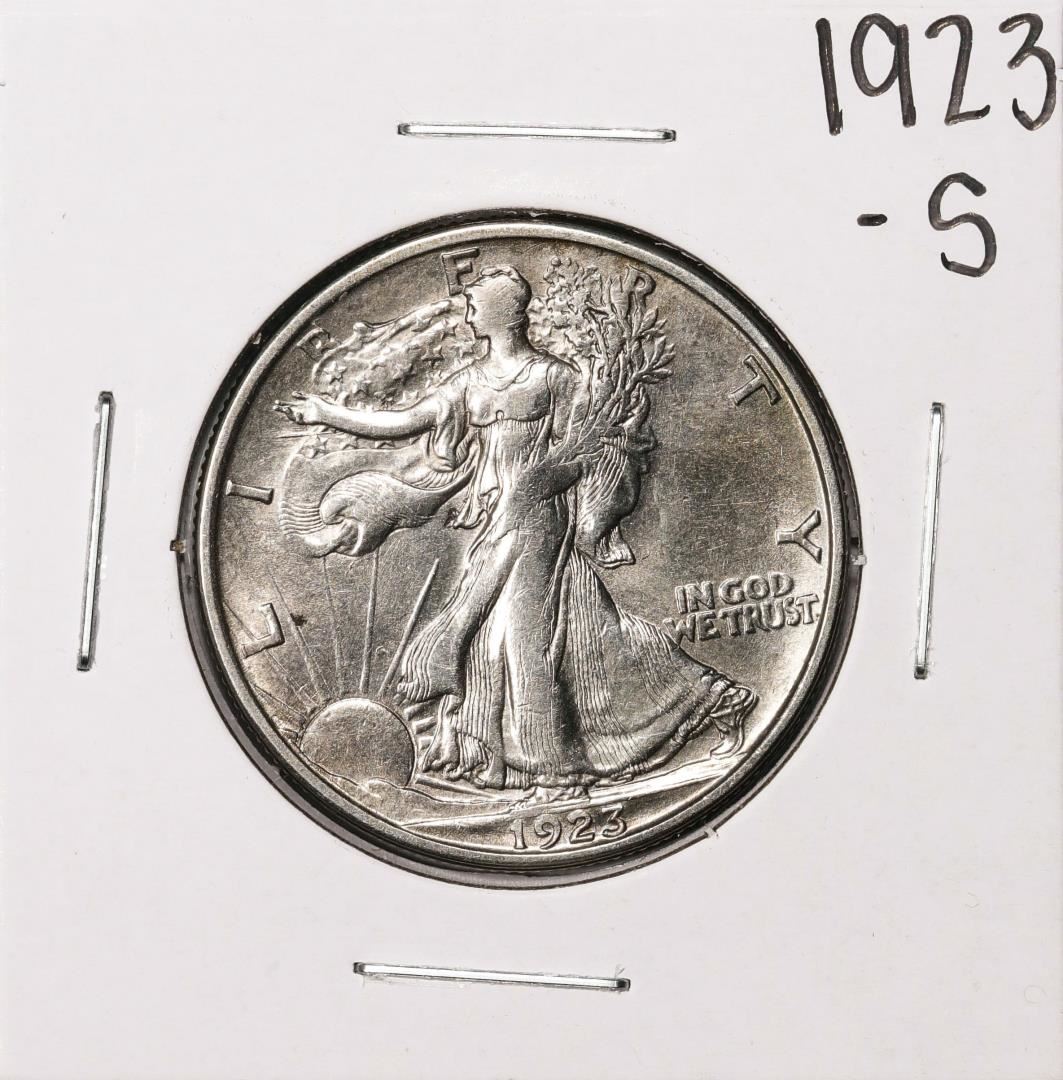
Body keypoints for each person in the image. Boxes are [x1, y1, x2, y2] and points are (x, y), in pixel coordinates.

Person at [275, 266, 755, 800]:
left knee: (528, 646)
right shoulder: (469, 382)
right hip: (496, 522)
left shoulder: (554, 377)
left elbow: (581, 453)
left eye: (475, 305)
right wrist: (325, 413)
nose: (468, 313)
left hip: (538, 520)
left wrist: (539, 487)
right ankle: (706, 702)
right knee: (515, 641)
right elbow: (405, 421)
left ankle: (557, 773)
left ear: (503, 313)